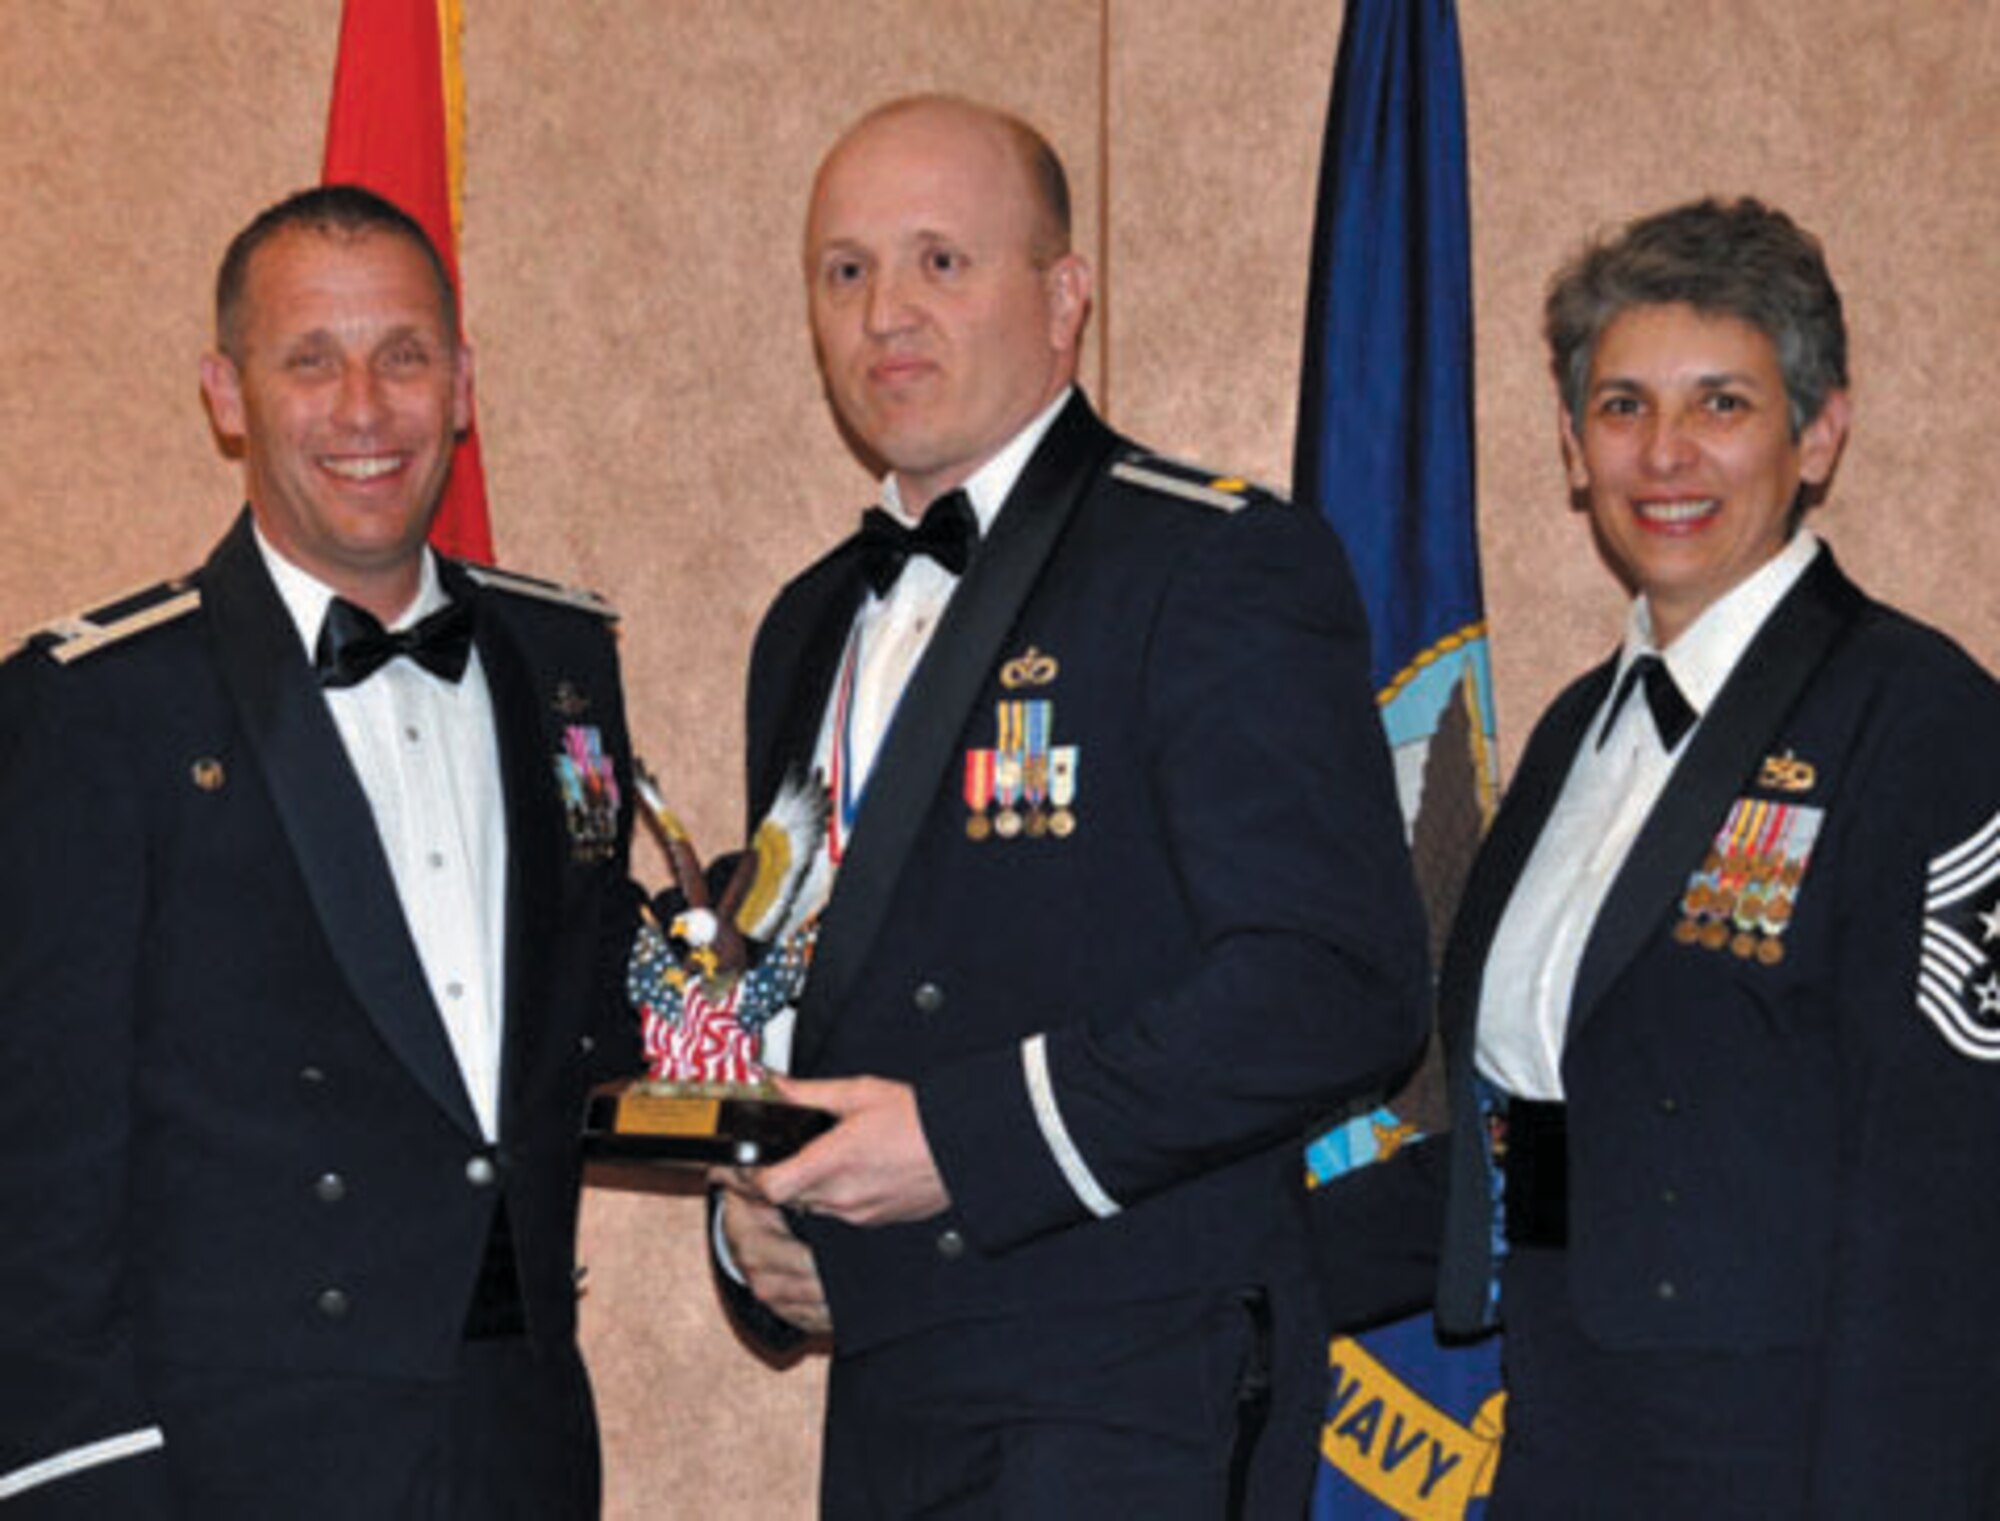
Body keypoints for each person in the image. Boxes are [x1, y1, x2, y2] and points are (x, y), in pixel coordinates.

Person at [708, 94, 1430, 1519]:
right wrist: (761, 1226)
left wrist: (962, 1145)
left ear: (1065, 297)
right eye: (845, 271)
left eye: (941, 261)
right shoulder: (805, 629)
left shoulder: (1215, 566)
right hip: (897, 1400)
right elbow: (801, 989)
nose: (887, 313)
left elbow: (1340, 984)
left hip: (1135, 1393)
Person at [0, 186, 641, 1518]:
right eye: (312, 359)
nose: (364, 408)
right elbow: (39, 1157)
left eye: (403, 355)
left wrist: (769, 1105)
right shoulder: (98, 705)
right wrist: (80, 1481)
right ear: (226, 394)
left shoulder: (564, 659)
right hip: (231, 1463)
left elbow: (592, 1031)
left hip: (515, 1449)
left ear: (461, 386)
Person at [1424, 198, 2000, 1515]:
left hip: (1784, 1457)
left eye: (1721, 404)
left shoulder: (1923, 724)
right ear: (1572, 446)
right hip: (1566, 1426)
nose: (1665, 454)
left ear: (1819, 433)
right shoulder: (1578, 728)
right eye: (1623, 405)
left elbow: (1945, 1201)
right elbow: (1546, 1128)